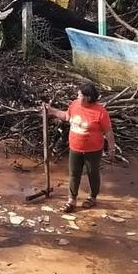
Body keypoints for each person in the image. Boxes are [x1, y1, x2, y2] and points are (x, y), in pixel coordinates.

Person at [44, 82, 116, 213]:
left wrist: (111, 149)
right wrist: (52, 110)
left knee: (92, 173)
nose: (77, 97)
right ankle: (72, 200)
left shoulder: (100, 112)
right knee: (74, 174)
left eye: (79, 95)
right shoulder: (75, 105)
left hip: (93, 150)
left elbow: (108, 132)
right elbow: (66, 116)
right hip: (75, 148)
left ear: (88, 97)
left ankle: (92, 197)